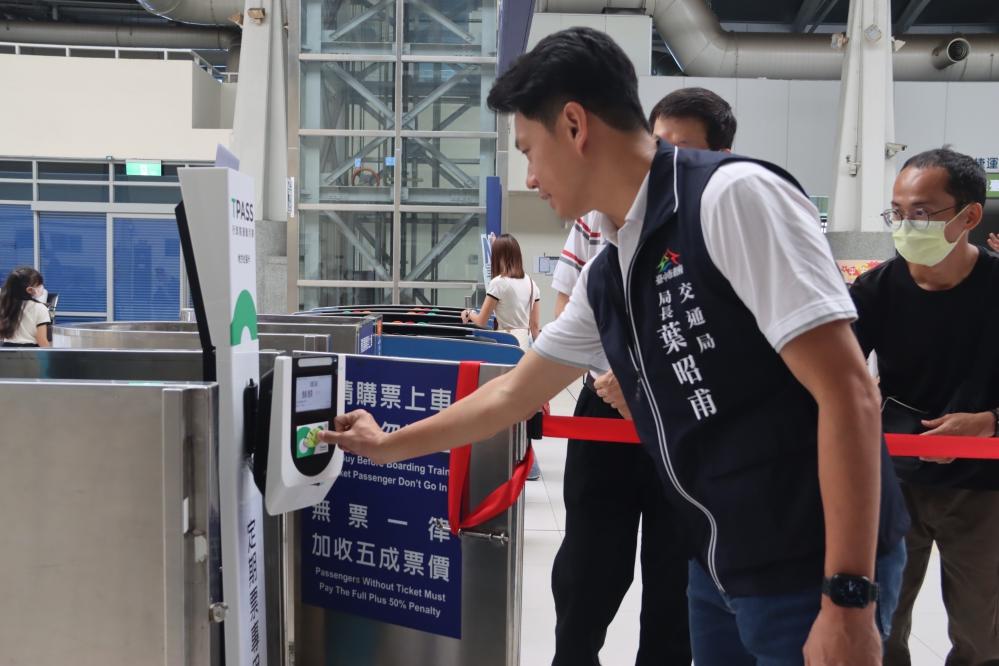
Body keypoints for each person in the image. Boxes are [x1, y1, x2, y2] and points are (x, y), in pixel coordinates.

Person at [324, 27, 910, 665]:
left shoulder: (730, 197)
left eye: (529, 150)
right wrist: (388, 445)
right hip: (718, 564)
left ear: (574, 126)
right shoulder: (610, 268)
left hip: (809, 568)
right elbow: (515, 394)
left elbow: (848, 393)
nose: (531, 176)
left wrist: (849, 595)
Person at [549, 86, 736, 666]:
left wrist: (645, 386)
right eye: (659, 145)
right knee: (587, 566)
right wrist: (619, 379)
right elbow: (567, 321)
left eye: (682, 150)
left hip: (689, 419)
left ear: (719, 156)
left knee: (675, 573)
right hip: (606, 409)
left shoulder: (726, 216)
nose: (662, 162)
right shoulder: (596, 220)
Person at [850, 148, 999, 666]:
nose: (906, 224)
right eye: (898, 211)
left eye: (922, 212)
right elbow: (831, 370)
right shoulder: (874, 290)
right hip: (893, 483)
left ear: (969, 216)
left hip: (983, 492)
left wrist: (989, 424)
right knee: (880, 622)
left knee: (981, 634)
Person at [461, 233, 541, 350]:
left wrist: (468, 313)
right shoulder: (532, 283)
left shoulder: (498, 283)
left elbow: (481, 321)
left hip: (506, 344)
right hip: (524, 345)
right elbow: (535, 326)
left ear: (498, 257)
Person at [0, 267, 51, 348]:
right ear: (29, 290)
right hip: (30, 352)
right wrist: (52, 357)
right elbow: (42, 340)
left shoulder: (5, 305)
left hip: (6, 350)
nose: (42, 287)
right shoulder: (40, 308)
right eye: (39, 285)